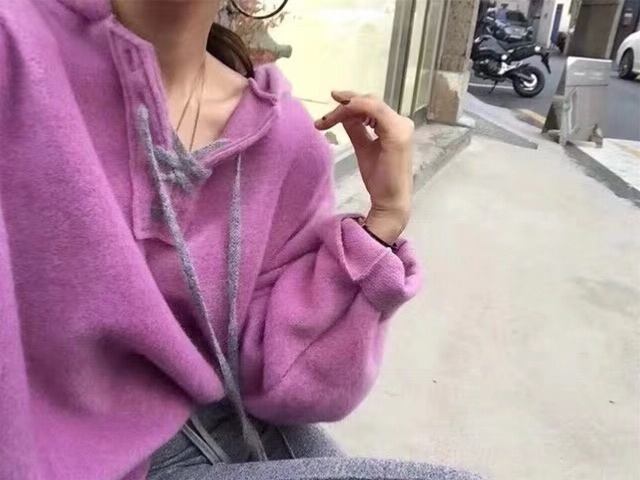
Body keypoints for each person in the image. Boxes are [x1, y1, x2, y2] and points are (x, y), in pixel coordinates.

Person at [0, 1, 479, 479]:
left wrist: (383, 222)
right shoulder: (17, 47)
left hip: (212, 421)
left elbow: (289, 382)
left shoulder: (287, 142)